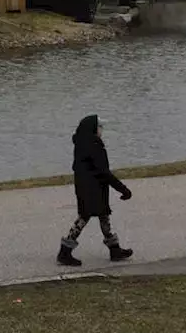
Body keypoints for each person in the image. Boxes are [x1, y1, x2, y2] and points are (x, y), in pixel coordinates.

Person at [57, 114, 133, 266]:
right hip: (92, 189)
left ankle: (114, 249)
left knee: (103, 215)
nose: (102, 130)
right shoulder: (93, 145)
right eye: (100, 127)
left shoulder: (82, 143)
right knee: (84, 217)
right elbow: (104, 171)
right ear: (93, 129)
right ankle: (65, 250)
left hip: (90, 187)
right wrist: (123, 189)